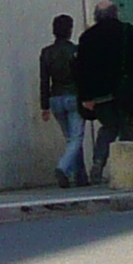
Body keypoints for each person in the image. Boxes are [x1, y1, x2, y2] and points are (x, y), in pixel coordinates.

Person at [72, 2, 133, 183]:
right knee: (129, 131)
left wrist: (86, 97)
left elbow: (80, 69)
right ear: (116, 14)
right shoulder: (129, 31)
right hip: (128, 91)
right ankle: (128, 172)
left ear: (96, 15)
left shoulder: (87, 37)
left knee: (108, 128)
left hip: (100, 96)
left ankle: (98, 162)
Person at [42, 14, 88, 187]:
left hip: (55, 98)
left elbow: (44, 80)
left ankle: (80, 176)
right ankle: (63, 168)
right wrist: (87, 98)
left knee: (71, 139)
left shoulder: (46, 52)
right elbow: (81, 77)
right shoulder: (75, 51)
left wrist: (45, 106)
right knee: (76, 138)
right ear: (70, 30)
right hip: (74, 97)